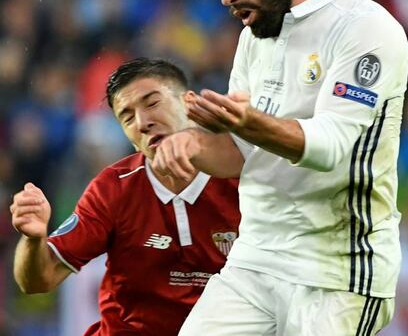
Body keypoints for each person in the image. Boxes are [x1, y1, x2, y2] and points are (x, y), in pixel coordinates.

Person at [151, 0, 408, 336]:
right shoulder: (254, 38)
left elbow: (328, 148)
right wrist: (191, 146)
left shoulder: (365, 28)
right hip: (254, 261)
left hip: (336, 273)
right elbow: (242, 154)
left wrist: (246, 123)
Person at [10, 57, 241, 336]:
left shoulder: (242, 178)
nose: (143, 122)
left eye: (152, 103)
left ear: (189, 104)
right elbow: (38, 280)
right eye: (127, 117)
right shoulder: (113, 190)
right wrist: (33, 239)